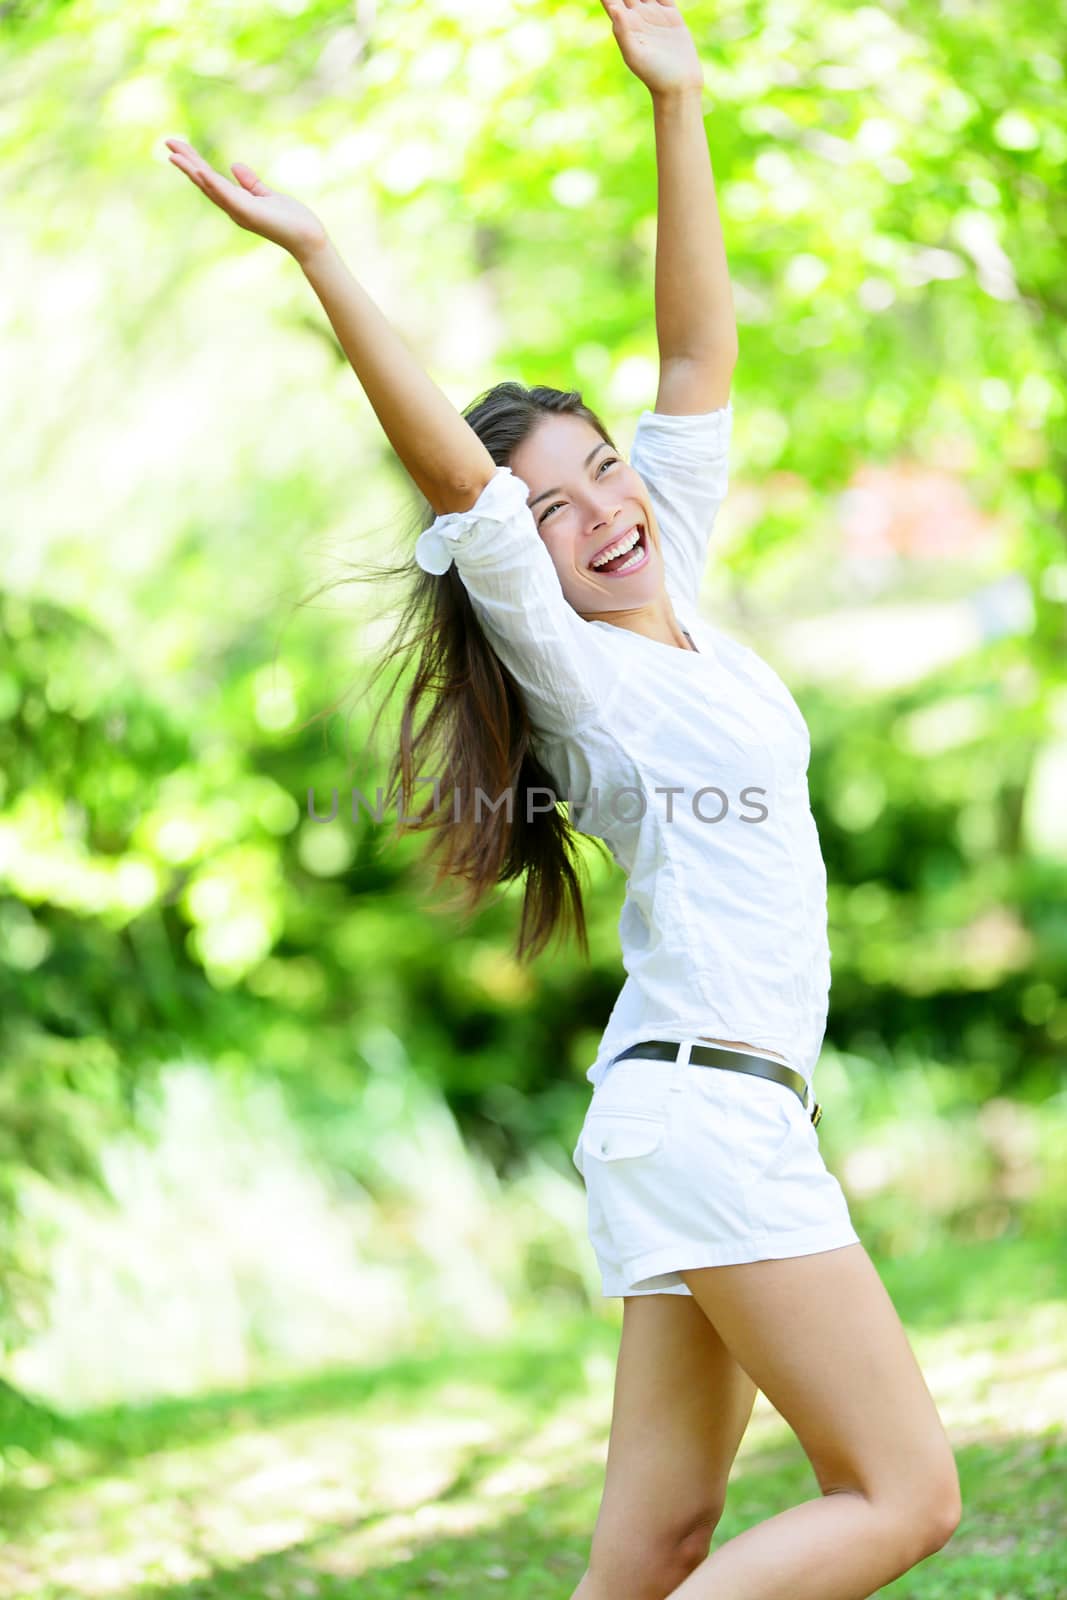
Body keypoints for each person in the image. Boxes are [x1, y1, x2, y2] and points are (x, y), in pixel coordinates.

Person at [163, 3, 961, 1595]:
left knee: (654, 1548)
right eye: (556, 505)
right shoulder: (580, 671)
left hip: (701, 1111)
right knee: (906, 1497)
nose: (602, 508)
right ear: (523, 556)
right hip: (709, 1116)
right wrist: (321, 259)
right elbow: (458, 484)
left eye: (608, 470)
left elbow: (693, 350)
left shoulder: (682, 582)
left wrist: (679, 99)